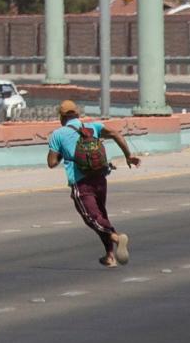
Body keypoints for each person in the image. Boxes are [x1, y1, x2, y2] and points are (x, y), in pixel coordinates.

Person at [47, 99, 140, 267]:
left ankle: (116, 238)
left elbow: (51, 163)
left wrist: (62, 152)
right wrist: (128, 156)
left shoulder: (58, 134)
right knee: (101, 216)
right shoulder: (93, 127)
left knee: (92, 219)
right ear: (77, 114)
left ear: (61, 117)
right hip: (100, 178)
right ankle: (110, 256)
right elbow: (116, 134)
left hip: (80, 182)